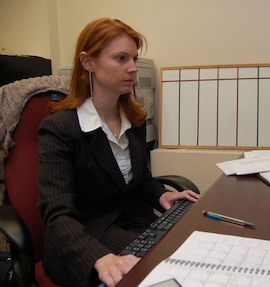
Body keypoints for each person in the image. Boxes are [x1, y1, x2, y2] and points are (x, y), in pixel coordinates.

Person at [36, 18, 200, 287]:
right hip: (85, 238)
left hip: (132, 222)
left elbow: (140, 179)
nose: (133, 68)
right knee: (168, 266)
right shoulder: (60, 129)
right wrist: (101, 259)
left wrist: (161, 193)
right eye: (121, 58)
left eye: (134, 58)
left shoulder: (133, 119)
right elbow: (58, 216)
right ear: (88, 62)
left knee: (188, 245)